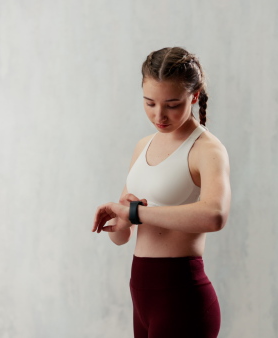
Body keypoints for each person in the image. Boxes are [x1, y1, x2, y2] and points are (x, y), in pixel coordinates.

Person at [92, 46, 231, 338]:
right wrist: (120, 220)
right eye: (149, 103)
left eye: (172, 104)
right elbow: (123, 236)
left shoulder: (207, 149)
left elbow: (215, 215)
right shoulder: (143, 146)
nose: (159, 114)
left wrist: (136, 213)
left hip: (182, 298)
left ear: (194, 96)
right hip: (142, 294)